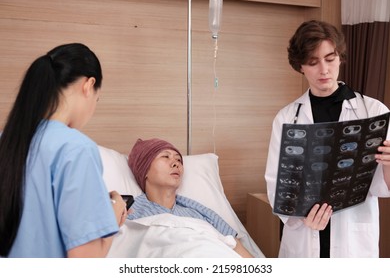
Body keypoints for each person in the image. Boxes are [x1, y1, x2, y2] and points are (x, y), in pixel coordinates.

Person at [265, 20, 390, 258]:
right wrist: (302, 217)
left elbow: (382, 187)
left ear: (340, 57)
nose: (323, 70)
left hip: (352, 237)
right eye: (313, 62)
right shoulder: (287, 118)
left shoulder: (374, 112)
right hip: (305, 233)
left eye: (330, 59)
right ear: (300, 66)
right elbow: (276, 183)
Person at [0, 43, 128, 258]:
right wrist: (112, 218)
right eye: (98, 99)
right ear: (88, 85)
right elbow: (84, 262)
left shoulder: (6, 140)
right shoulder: (76, 149)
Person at [127, 138, 254, 258]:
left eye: (178, 160)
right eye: (165, 156)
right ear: (144, 170)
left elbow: (240, 252)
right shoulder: (129, 212)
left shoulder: (201, 212)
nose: (176, 164)